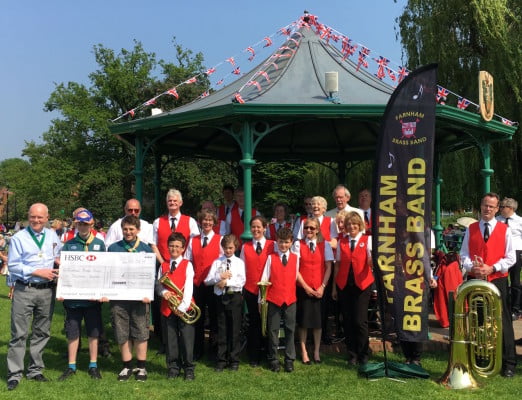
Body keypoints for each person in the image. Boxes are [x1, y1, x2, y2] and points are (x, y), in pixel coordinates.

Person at [6, 203, 62, 391]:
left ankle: (35, 370)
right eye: (33, 217)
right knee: (19, 333)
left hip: (47, 291)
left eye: (40, 217)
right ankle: (14, 373)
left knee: (41, 332)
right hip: (25, 289)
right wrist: (36, 271)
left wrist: (60, 262)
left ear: (47, 218)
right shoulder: (19, 238)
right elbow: (13, 266)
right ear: (28, 217)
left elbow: (58, 255)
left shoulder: (53, 236)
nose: (36, 220)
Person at [460, 192, 516, 378]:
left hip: (497, 279)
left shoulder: (504, 229)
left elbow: (511, 257)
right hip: (476, 279)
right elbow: (464, 255)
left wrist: (492, 268)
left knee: (503, 320)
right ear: (481, 205)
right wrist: (472, 267)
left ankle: (508, 362)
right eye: (485, 205)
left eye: (491, 206)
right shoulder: (471, 228)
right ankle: (482, 357)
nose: (487, 209)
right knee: (479, 320)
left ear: (497, 208)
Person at [58, 209, 105, 381]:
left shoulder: (100, 244)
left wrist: (102, 292)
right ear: (76, 224)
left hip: (92, 299)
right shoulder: (69, 245)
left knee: (93, 332)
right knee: (72, 331)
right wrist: (62, 290)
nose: (83, 227)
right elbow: (64, 272)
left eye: (86, 224)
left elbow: (104, 271)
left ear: (92, 224)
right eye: (80, 224)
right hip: (73, 300)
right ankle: (71, 365)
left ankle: (93, 365)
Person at [108, 215, 153, 382]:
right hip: (119, 298)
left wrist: (148, 294)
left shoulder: (146, 249)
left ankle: (141, 367)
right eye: (125, 229)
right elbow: (108, 272)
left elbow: (151, 274)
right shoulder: (113, 248)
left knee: (141, 331)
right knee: (122, 332)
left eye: (131, 229)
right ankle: (126, 365)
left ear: (138, 230)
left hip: (139, 299)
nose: (128, 232)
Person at [332, 211, 374, 366]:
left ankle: (363, 353)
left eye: (354, 224)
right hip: (344, 285)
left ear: (359, 225)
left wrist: (372, 261)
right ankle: (352, 354)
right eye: (349, 224)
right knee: (347, 321)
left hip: (362, 285)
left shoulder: (367, 240)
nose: (351, 226)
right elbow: (337, 265)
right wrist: (334, 288)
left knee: (360, 321)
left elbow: (371, 260)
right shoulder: (341, 242)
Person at [155, 232, 196, 381]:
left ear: (183, 248)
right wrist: (163, 292)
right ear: (167, 247)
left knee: (186, 339)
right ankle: (173, 367)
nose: (174, 249)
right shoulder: (164, 265)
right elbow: (158, 285)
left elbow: (189, 287)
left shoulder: (187, 264)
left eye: (177, 246)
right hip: (167, 308)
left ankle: (189, 369)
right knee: (170, 339)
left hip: (184, 308)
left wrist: (183, 307)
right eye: (171, 246)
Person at [184, 208, 223, 360]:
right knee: (197, 318)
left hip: (213, 285)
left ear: (214, 222)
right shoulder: (193, 240)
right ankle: (197, 349)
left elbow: (222, 262)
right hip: (197, 284)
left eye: (210, 220)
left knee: (214, 318)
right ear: (200, 222)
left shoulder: (220, 239)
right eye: (204, 220)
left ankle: (214, 350)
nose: (207, 222)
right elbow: (187, 261)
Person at [260, 227, 299, 373]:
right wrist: (261, 300)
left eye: (286, 242)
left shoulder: (295, 258)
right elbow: (264, 279)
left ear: (291, 242)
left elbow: (294, 277)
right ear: (277, 242)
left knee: (290, 329)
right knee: (273, 330)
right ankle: (273, 359)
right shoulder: (271, 258)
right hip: (273, 299)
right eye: (281, 242)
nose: (283, 245)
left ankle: (289, 359)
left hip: (290, 299)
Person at [295, 217, 333, 364]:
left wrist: (322, 287)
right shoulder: (298, 245)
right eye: (306, 228)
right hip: (303, 288)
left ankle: (316, 352)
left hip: (319, 289)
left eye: (312, 228)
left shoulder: (325, 245)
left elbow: (328, 267)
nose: (309, 230)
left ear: (317, 230)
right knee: (303, 322)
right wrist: (305, 287)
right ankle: (304, 351)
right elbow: (295, 268)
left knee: (318, 323)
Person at [205, 234, 246, 371]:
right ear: (222, 248)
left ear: (235, 248)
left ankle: (234, 359)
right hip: (220, 297)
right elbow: (207, 280)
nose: (228, 251)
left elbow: (241, 281)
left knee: (234, 329)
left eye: (230, 248)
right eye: (225, 248)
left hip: (234, 297)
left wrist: (226, 282)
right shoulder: (217, 262)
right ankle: (221, 359)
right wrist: (219, 277)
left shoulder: (239, 262)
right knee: (222, 328)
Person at [240, 216, 275, 367]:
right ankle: (254, 355)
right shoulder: (245, 247)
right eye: (253, 227)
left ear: (265, 228)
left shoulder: (272, 244)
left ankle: (269, 353)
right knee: (254, 323)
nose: (255, 230)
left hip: (269, 291)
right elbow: (242, 269)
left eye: (258, 227)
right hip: (251, 290)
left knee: (267, 322)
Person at [151, 189, 199, 264]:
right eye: (170, 201)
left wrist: (185, 264)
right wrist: (163, 264)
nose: (172, 203)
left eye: (175, 201)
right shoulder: (157, 222)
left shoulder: (191, 221)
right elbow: (154, 245)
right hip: (163, 264)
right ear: (167, 203)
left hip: (184, 265)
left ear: (180, 203)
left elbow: (195, 245)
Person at [497, 197, 522, 318]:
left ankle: (516, 309)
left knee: (515, 281)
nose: (500, 209)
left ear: (510, 208)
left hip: (517, 252)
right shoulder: (497, 220)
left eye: (502, 207)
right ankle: (503, 307)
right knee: (502, 280)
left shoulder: (519, 221)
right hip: (501, 253)